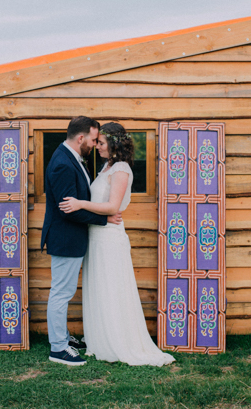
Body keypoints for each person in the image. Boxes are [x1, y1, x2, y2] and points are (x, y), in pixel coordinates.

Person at [60, 122, 175, 366]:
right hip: (97, 236)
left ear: (113, 144)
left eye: (101, 142)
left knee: (112, 288)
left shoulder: (121, 169)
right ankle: (100, 338)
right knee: (99, 287)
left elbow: (113, 207)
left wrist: (80, 204)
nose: (96, 146)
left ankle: (119, 341)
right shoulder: (106, 168)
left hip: (110, 238)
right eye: (97, 142)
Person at [41, 116, 122, 366]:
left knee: (64, 290)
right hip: (65, 238)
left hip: (72, 238)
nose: (95, 144)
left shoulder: (72, 158)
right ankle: (58, 348)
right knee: (61, 292)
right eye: (93, 139)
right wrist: (105, 220)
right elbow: (69, 209)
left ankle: (64, 338)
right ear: (80, 138)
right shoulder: (63, 164)